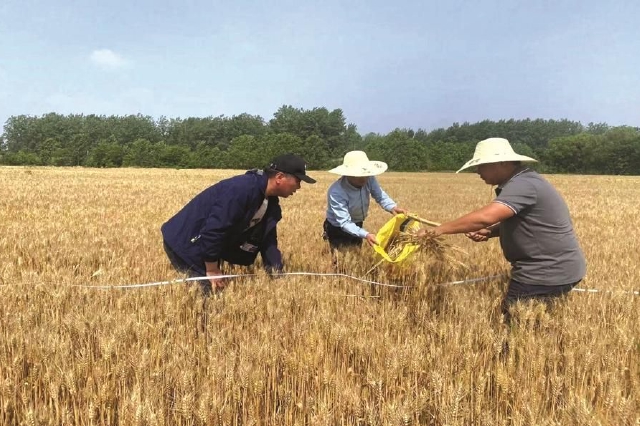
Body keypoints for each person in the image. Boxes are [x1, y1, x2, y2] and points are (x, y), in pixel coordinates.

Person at [420, 138, 587, 321]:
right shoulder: (524, 180)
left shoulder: (522, 185)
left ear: (502, 163)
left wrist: (437, 231)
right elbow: (526, 221)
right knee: (534, 328)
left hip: (544, 272)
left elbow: (486, 217)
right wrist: (491, 232)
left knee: (515, 331)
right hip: (558, 267)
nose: (478, 171)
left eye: (482, 165)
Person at [161, 153, 316, 294]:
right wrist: (212, 269)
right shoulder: (241, 189)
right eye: (297, 180)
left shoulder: (270, 202)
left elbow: (268, 240)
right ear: (280, 177)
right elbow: (215, 229)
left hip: (204, 242)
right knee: (206, 294)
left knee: (215, 293)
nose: (299, 187)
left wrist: (277, 274)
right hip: (186, 241)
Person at [324, 151, 406, 251]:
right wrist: (366, 234)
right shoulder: (337, 192)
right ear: (348, 174)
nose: (363, 178)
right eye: (358, 175)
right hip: (338, 228)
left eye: (365, 174)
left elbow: (379, 195)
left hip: (357, 223)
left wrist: (392, 207)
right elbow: (344, 223)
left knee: (356, 255)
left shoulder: (369, 178)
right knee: (340, 261)